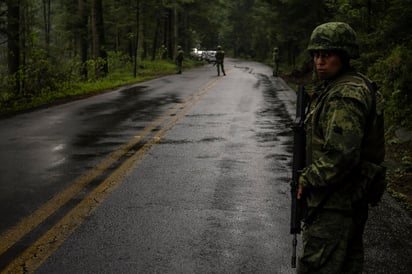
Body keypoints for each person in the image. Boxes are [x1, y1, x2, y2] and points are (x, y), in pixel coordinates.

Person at [297, 22, 385, 274]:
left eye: (327, 55)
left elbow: (342, 155)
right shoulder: (346, 85)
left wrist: (307, 178)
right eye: (316, 55)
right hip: (347, 199)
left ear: (344, 56)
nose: (319, 61)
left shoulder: (344, 94)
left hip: (334, 202)